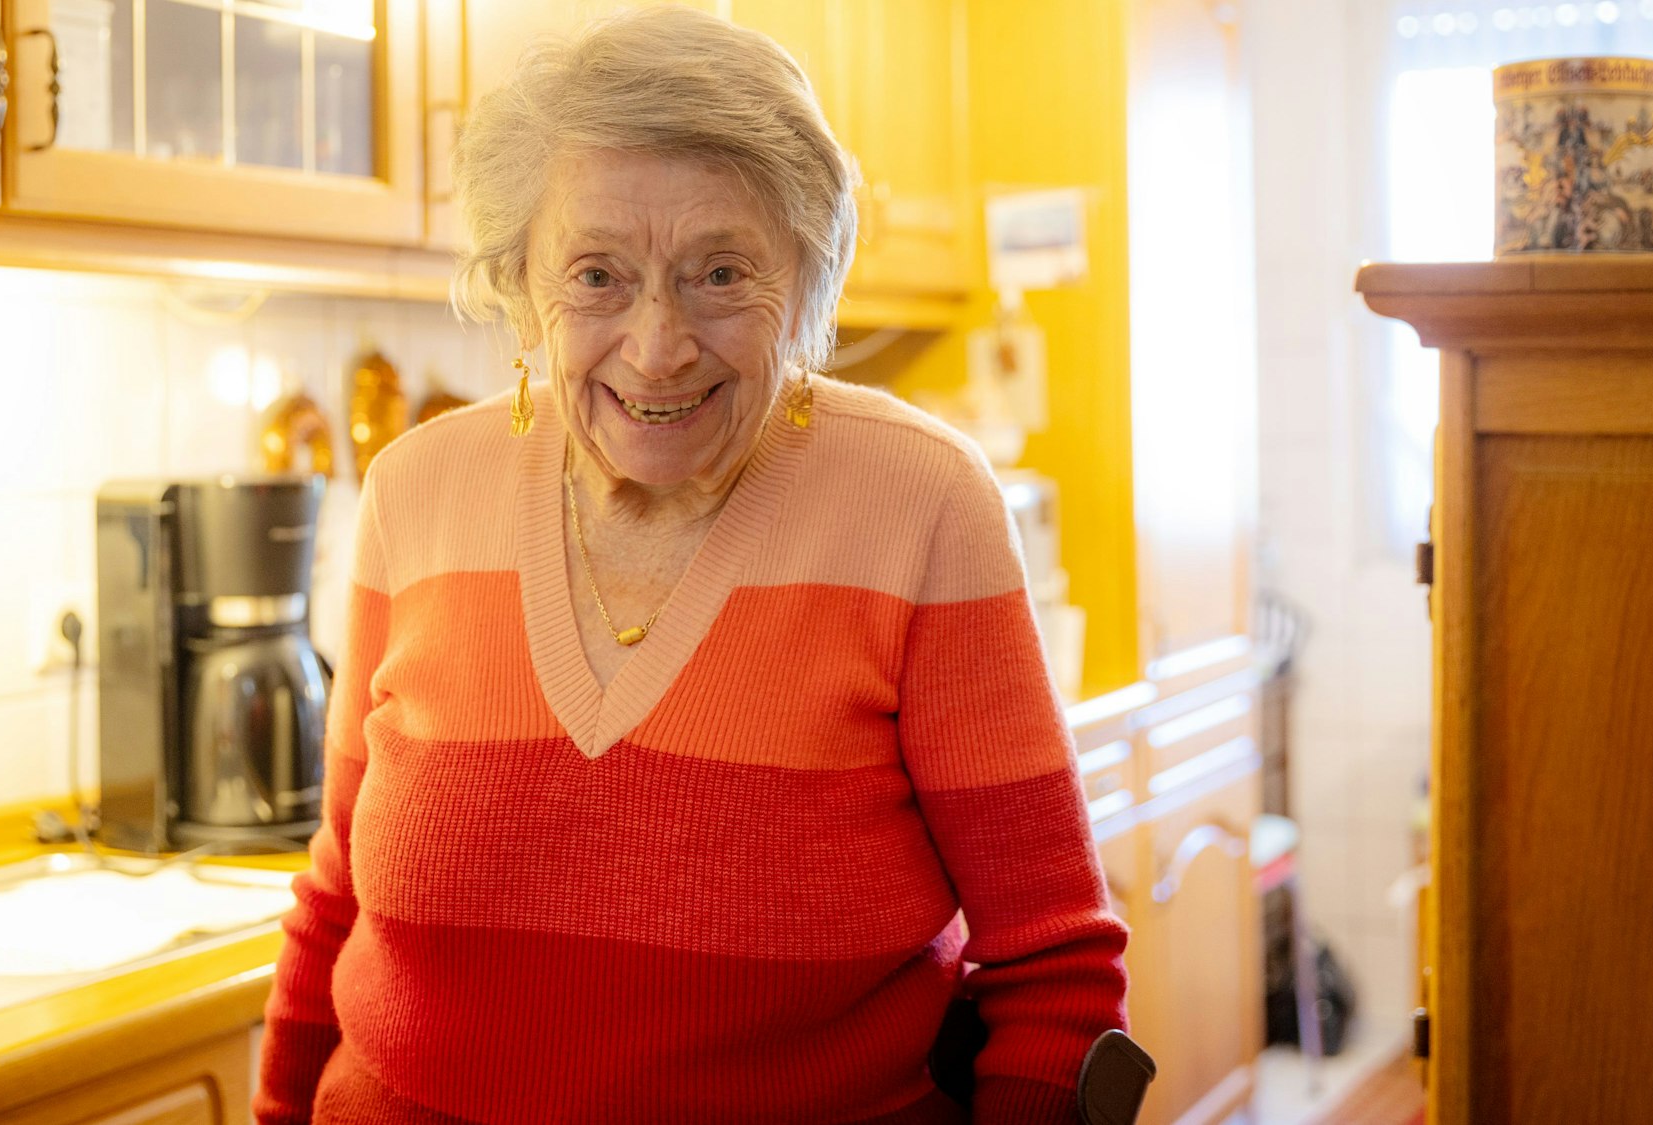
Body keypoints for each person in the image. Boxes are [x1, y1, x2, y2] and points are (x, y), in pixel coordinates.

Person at [254, 8, 1128, 1122]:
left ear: (807, 281)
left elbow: (1054, 973)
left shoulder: (918, 503)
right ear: (521, 286)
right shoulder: (414, 494)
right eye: (596, 275)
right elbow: (335, 907)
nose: (658, 344)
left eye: (720, 273)